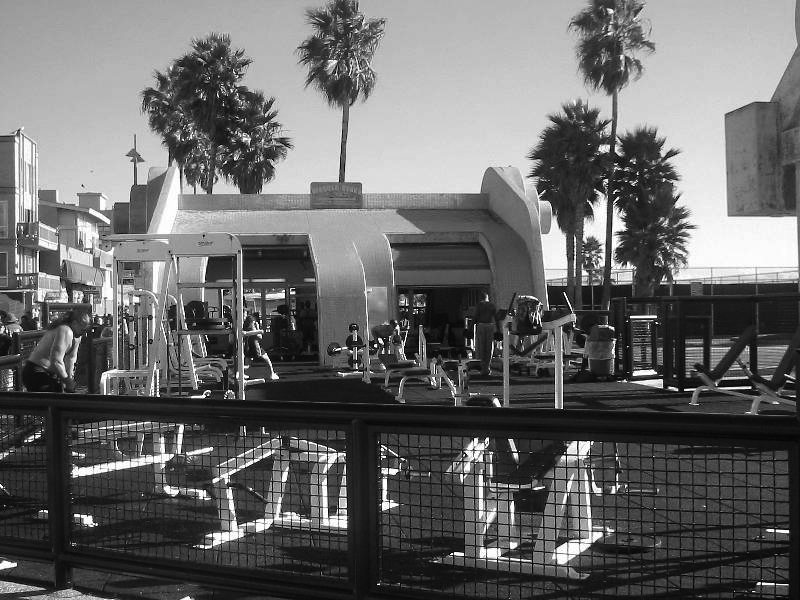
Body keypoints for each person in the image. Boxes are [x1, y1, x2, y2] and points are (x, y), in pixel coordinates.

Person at [21, 310, 92, 393]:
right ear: (74, 323)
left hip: (48, 373)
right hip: (37, 371)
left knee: (60, 398)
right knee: (51, 401)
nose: (84, 333)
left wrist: (69, 381)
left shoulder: (76, 336)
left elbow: (71, 360)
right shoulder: (65, 330)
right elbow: (56, 361)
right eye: (83, 329)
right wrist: (67, 381)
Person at [243, 311, 279, 380]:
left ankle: (238, 372)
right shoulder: (251, 322)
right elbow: (259, 336)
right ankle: (271, 374)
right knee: (266, 359)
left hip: (248, 345)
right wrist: (258, 328)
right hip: (255, 345)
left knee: (247, 364)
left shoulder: (243, 324)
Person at [473, 291, 500, 376]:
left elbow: (475, 317)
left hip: (481, 325)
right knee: (489, 346)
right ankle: (487, 367)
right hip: (490, 325)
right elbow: (496, 318)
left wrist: (469, 328)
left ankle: (483, 366)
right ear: (487, 298)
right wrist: (498, 330)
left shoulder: (479, 305)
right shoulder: (492, 305)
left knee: (481, 346)